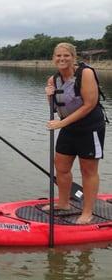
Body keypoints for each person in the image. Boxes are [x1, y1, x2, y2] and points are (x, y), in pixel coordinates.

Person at [45, 42, 106, 224]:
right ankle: (64, 203)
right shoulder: (53, 80)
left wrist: (62, 123)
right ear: (53, 58)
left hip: (89, 127)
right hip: (68, 127)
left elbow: (90, 104)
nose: (62, 59)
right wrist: (49, 95)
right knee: (61, 168)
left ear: (74, 57)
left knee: (88, 170)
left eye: (66, 55)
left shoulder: (85, 73)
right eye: (58, 56)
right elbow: (55, 109)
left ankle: (87, 212)